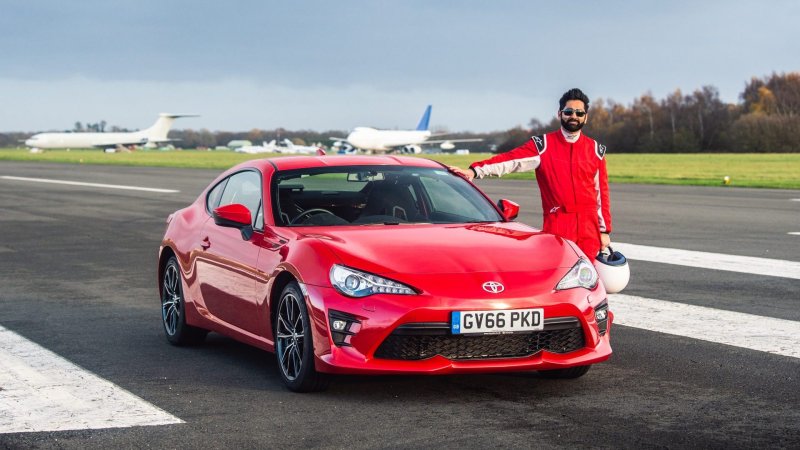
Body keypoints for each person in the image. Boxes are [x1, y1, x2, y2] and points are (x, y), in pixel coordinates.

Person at [450, 88, 612, 261]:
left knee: (590, 279)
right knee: (558, 276)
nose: (574, 116)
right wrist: (475, 170)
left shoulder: (596, 150)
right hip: (559, 225)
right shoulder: (543, 145)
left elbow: (601, 194)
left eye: (579, 113)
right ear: (559, 114)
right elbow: (509, 160)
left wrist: (604, 231)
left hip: (590, 228)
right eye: (568, 111)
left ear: (586, 117)